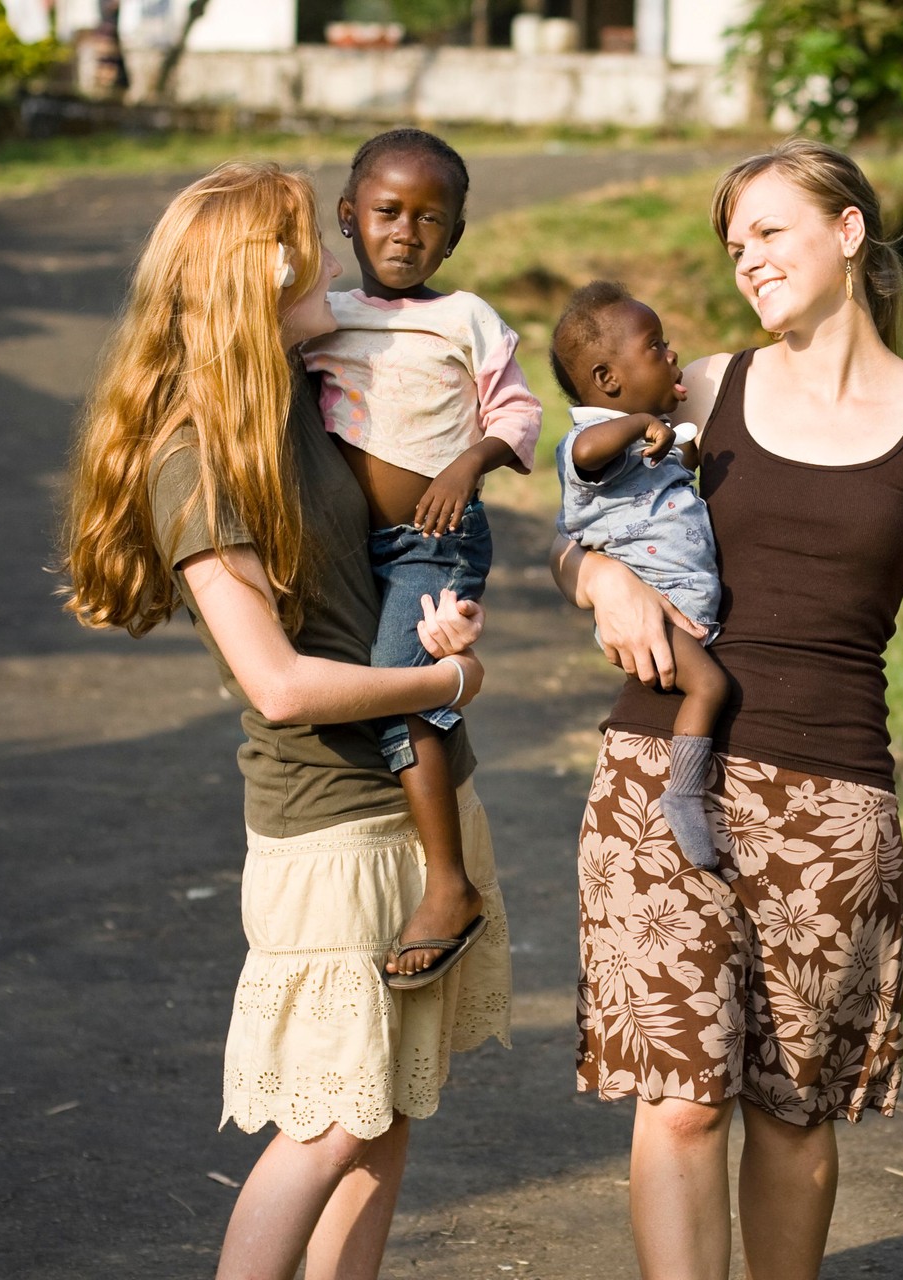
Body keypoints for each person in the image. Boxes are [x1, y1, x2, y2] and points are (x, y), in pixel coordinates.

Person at [550, 138, 903, 1280]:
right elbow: (578, 521)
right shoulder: (705, 389)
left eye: (769, 232)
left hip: (833, 803)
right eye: (734, 246)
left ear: (848, 232)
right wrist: (600, 578)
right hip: (660, 773)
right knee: (677, 1103)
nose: (748, 262)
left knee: (791, 1112)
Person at [60, 161, 511, 1280]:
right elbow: (280, 683)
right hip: (328, 830)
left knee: (387, 1111)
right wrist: (443, 690)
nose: (336, 248)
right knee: (325, 1127)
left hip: (414, 802)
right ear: (264, 267)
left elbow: (383, 569)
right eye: (309, 233)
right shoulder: (195, 454)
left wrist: (444, 627)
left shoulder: (298, 400)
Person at [300, 128, 542, 986]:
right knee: (357, 692)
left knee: (405, 694)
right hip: (346, 550)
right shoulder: (326, 320)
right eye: (387, 213)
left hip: (432, 547)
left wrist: (467, 463)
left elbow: (518, 417)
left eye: (429, 220)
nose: (406, 233)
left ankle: (449, 887)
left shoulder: (465, 318)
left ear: (456, 235)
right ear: (348, 218)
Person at [549, 280, 728, 870]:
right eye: (656, 346)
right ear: (608, 380)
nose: (672, 354)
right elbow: (586, 451)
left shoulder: (651, 442)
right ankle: (682, 794)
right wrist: (642, 424)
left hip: (681, 602)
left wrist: (683, 452)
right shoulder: (597, 441)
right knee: (711, 687)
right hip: (654, 603)